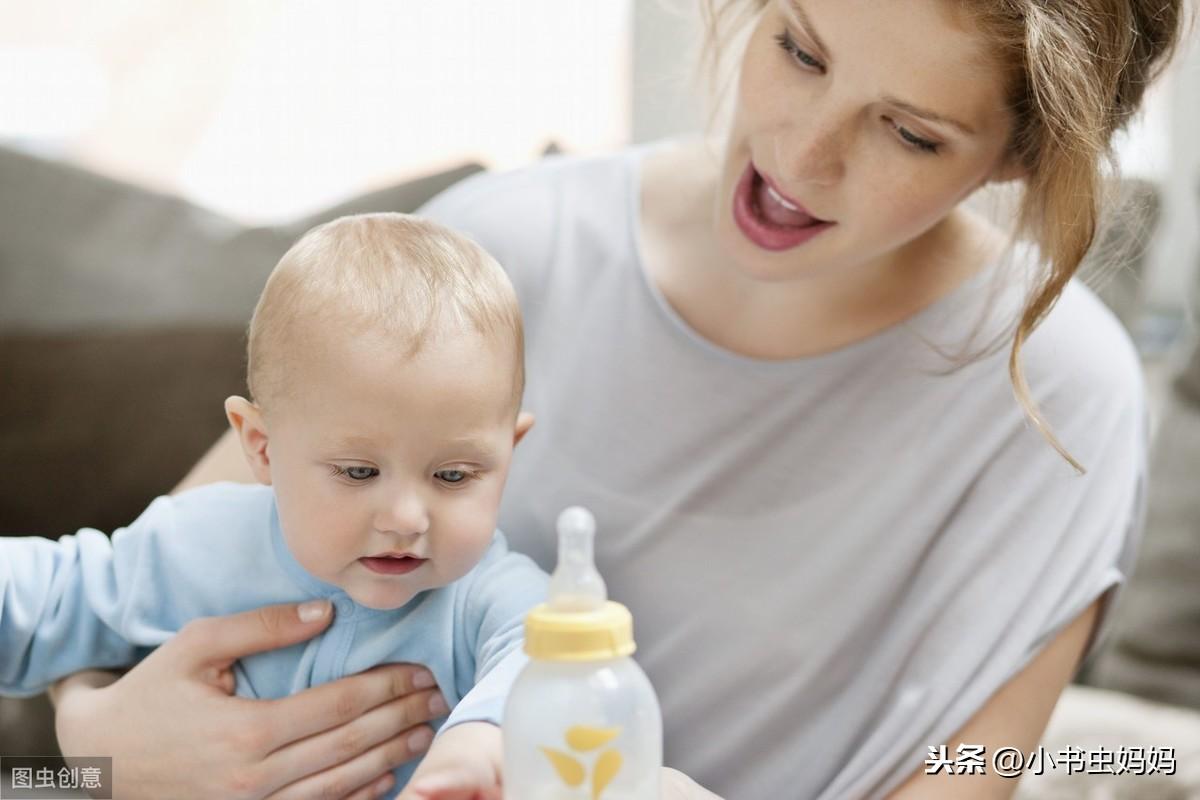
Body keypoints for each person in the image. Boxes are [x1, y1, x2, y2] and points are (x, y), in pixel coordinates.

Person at [49, 1, 1186, 798]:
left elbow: (976, 779)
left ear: (1016, 159)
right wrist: (92, 749)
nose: (800, 148)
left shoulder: (1058, 400)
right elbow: (137, 598)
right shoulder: (505, 247)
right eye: (798, 48)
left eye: (906, 130)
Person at [2, 213, 547, 798]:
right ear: (261, 446)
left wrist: (485, 738)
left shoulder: (490, 597)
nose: (407, 519)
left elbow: (552, 662)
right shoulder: (198, 543)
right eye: (359, 472)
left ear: (507, 453)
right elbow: (49, 598)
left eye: (453, 475)